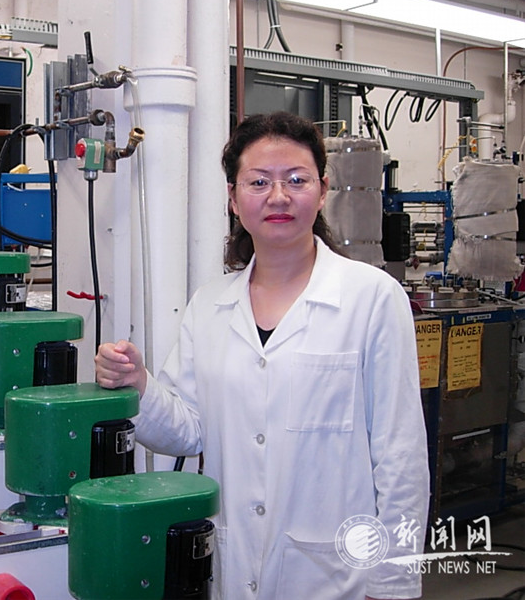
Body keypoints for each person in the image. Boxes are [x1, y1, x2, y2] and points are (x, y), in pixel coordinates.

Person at [95, 111, 429, 600]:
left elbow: (401, 456)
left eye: (296, 179)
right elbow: (188, 431)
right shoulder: (210, 305)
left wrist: (393, 584)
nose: (278, 196)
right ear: (233, 198)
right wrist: (138, 384)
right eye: (258, 182)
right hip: (233, 571)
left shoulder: (372, 298)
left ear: (322, 189)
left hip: (340, 577)